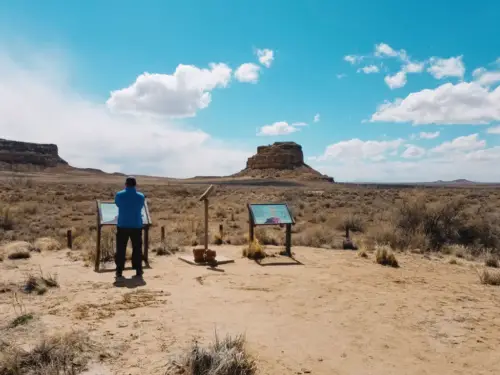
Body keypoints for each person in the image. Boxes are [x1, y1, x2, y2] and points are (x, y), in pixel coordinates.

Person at [114, 176, 145, 280]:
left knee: (121, 248)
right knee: (137, 248)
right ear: (135, 184)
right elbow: (140, 206)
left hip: (123, 225)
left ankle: (119, 271)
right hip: (136, 225)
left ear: (125, 184)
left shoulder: (119, 195)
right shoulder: (141, 196)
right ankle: (138, 270)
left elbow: (118, 204)